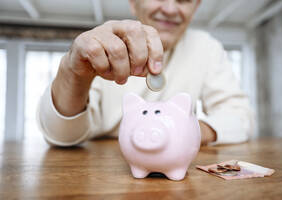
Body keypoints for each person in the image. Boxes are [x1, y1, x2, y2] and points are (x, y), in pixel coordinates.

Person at [37, 0, 253, 147]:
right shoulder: (99, 46)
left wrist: (184, 129)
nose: (170, 9)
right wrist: (72, 73)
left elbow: (241, 119)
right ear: (133, 2)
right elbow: (61, 135)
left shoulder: (207, 47)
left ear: (195, 7)